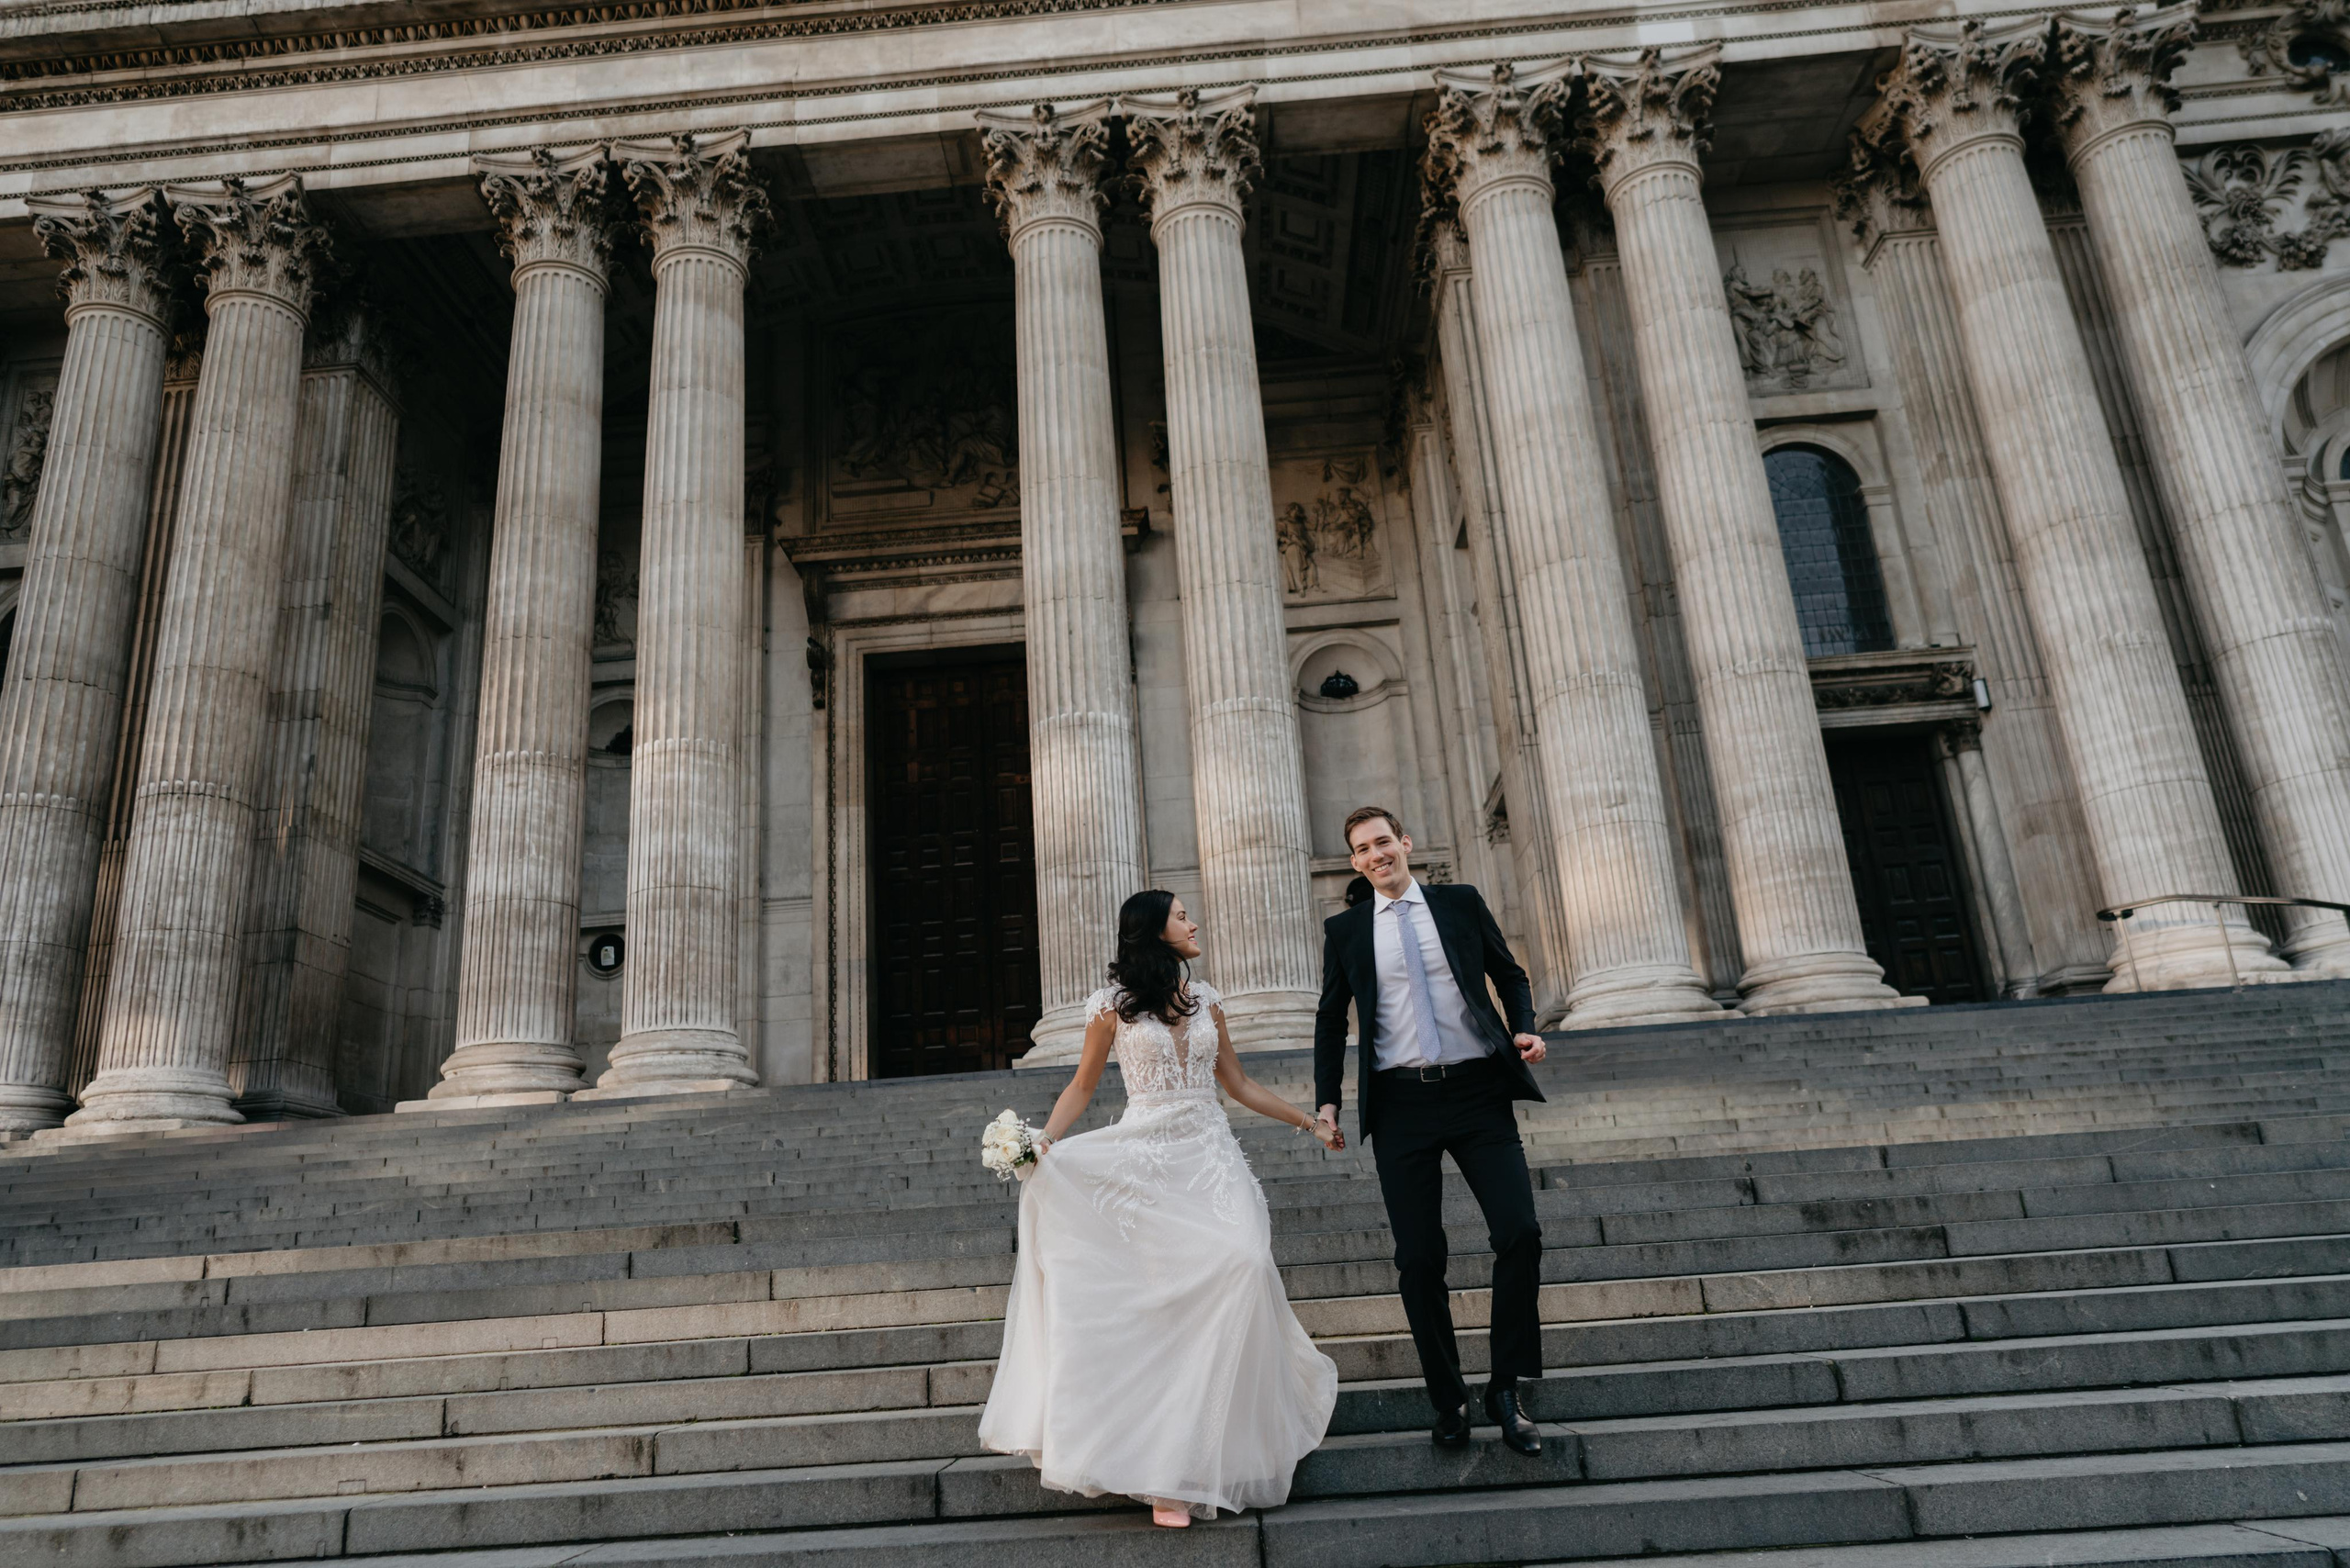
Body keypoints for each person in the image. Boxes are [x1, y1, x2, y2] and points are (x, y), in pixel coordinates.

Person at [978, 890, 1341, 1527]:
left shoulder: (1208, 1001)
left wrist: (1307, 1122)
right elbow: (1083, 1085)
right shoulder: (1109, 1008)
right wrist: (1043, 1144)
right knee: (1168, 1304)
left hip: (1209, 1156)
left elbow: (1238, 1083)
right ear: (1152, 930)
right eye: (1181, 915)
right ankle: (1169, 1471)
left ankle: (1218, 1442)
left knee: (1245, 1262)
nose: (1194, 921)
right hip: (1143, 1161)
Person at [1312, 805, 1551, 1456]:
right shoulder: (1348, 931)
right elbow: (1331, 1020)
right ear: (1355, 861)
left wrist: (1524, 1024)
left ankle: (1507, 1387)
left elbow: (1509, 973)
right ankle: (1448, 1398)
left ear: (1405, 843)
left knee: (1520, 1234)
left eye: (1383, 841)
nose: (1375, 854)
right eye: (1362, 848)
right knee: (1419, 1260)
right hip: (1400, 1104)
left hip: (1477, 1092)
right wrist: (1328, 1102)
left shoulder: (1460, 902)